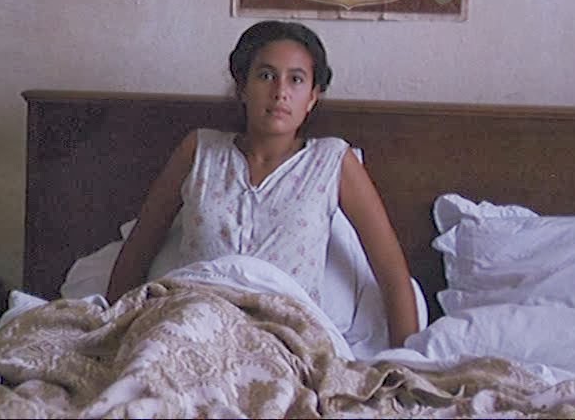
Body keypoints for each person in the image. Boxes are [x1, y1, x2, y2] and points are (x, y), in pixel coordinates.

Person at [105, 20, 419, 348]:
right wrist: (111, 331)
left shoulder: (333, 161)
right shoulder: (199, 151)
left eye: (296, 79)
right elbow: (138, 250)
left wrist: (409, 360)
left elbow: (391, 273)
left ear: (312, 97)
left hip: (287, 337)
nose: (280, 92)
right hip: (193, 323)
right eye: (266, 76)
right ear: (242, 87)